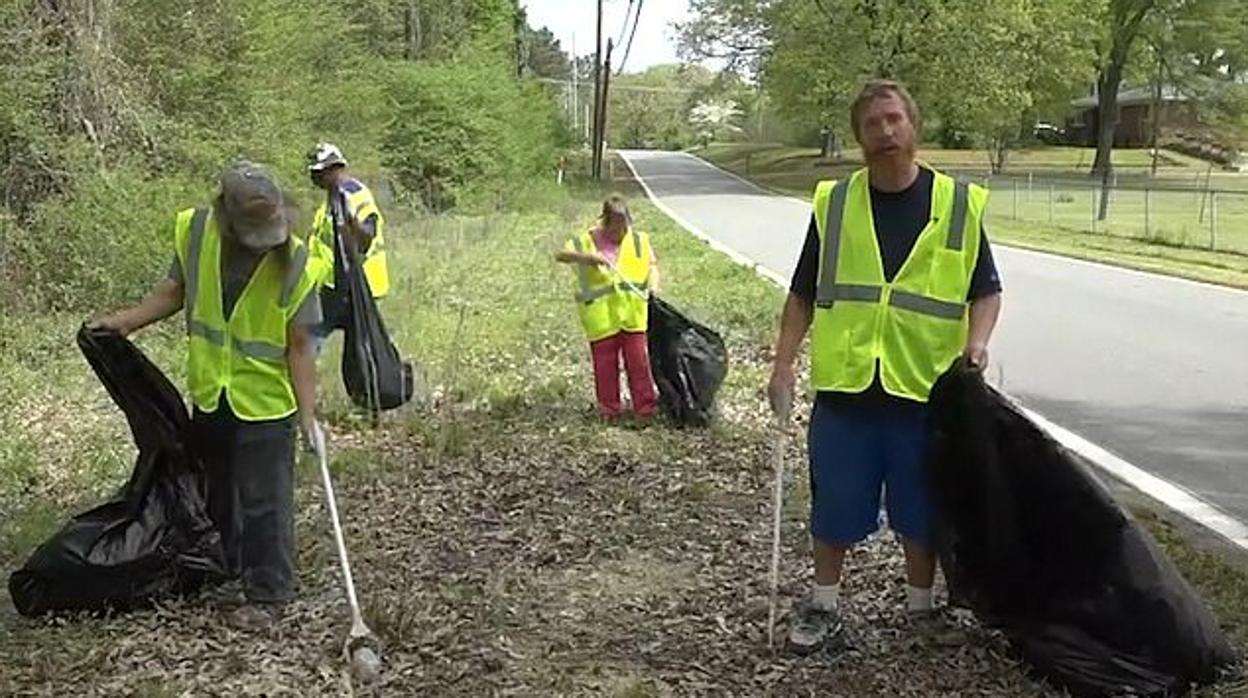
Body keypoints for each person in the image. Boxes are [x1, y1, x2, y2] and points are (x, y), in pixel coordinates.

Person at [767, 79, 1004, 653]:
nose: (885, 132)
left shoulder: (957, 205)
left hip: (923, 389)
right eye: (873, 125)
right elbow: (802, 292)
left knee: (920, 508)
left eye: (894, 120)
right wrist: (782, 365)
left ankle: (919, 611)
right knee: (835, 502)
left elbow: (987, 290)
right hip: (847, 388)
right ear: (859, 138)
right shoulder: (837, 203)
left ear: (914, 126)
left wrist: (977, 343)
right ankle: (824, 605)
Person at [91, 162, 328, 630]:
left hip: (265, 402)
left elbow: (300, 345)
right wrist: (124, 321)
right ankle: (228, 569)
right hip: (212, 393)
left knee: (265, 501)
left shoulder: (299, 260)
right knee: (218, 492)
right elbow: (171, 293)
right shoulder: (197, 231)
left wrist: (308, 417)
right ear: (225, 212)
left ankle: (269, 592)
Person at [555, 193, 661, 423]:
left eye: (623, 228)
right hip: (601, 317)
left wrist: (653, 287)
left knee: (639, 364)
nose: (619, 234)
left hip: (633, 315)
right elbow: (560, 254)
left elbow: (652, 266)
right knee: (605, 366)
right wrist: (588, 258)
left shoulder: (638, 240)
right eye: (614, 229)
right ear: (604, 222)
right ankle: (609, 411)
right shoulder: (586, 240)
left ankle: (645, 409)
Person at [305, 142, 389, 353]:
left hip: (360, 286)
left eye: (319, 173)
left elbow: (367, 237)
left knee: (364, 354)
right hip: (335, 286)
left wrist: (351, 222)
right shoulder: (332, 198)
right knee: (306, 339)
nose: (315, 179)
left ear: (335, 169)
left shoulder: (355, 195)